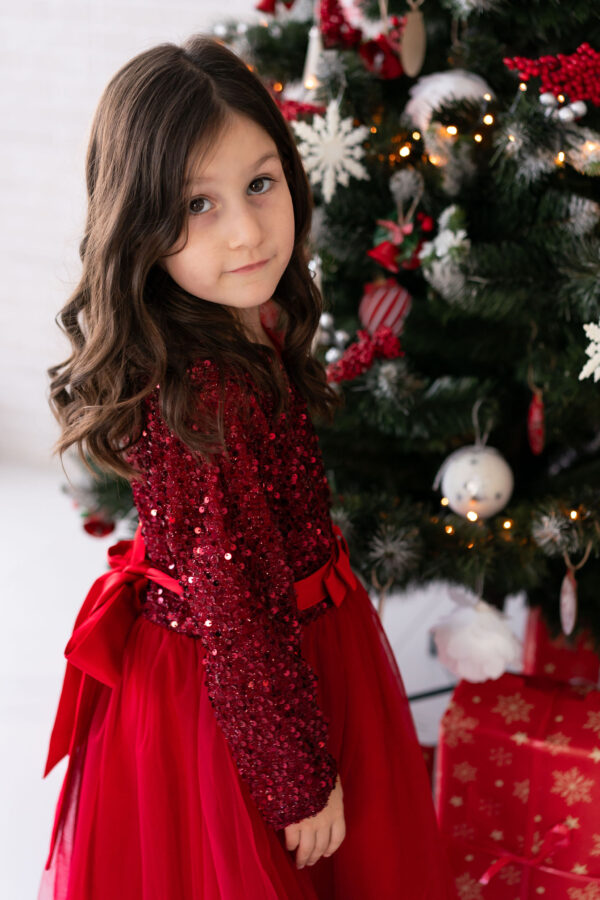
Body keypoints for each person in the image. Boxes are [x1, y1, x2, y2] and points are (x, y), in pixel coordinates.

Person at [37, 35, 457, 900]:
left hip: (283, 652)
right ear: (140, 225)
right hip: (242, 689)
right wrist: (296, 778)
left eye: (260, 184)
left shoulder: (241, 323)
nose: (246, 230)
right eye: (198, 203)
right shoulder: (210, 397)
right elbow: (235, 606)